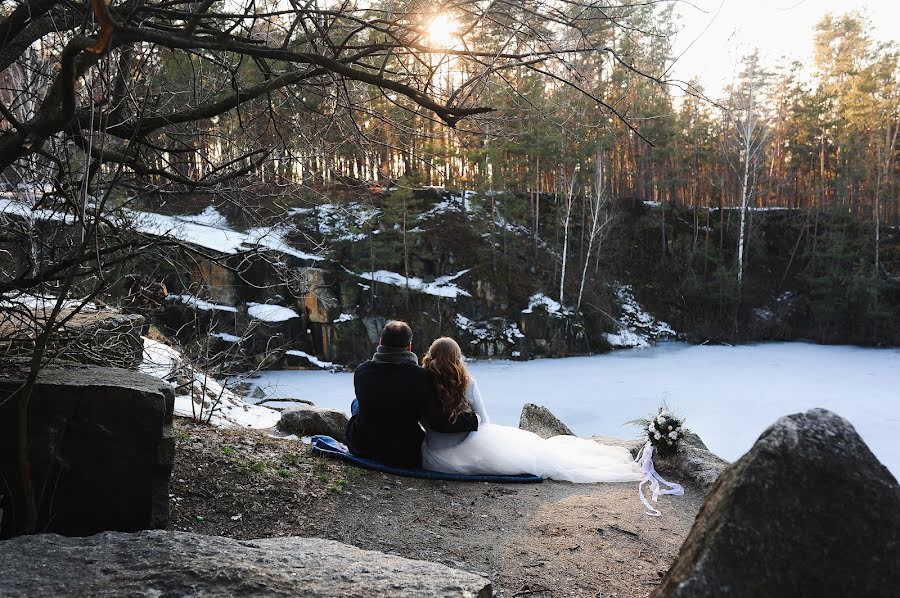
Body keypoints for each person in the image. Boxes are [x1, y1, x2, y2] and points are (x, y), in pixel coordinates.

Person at [421, 337, 643, 483]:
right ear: (457, 359)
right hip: (462, 448)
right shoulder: (467, 383)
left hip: (434, 457)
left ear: (431, 355)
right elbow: (485, 421)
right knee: (530, 451)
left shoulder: (422, 381)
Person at [345, 321, 479, 468]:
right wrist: (474, 419)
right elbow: (438, 422)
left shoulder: (362, 371)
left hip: (361, 447)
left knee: (357, 403)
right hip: (402, 454)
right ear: (409, 346)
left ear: (381, 341)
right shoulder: (422, 377)